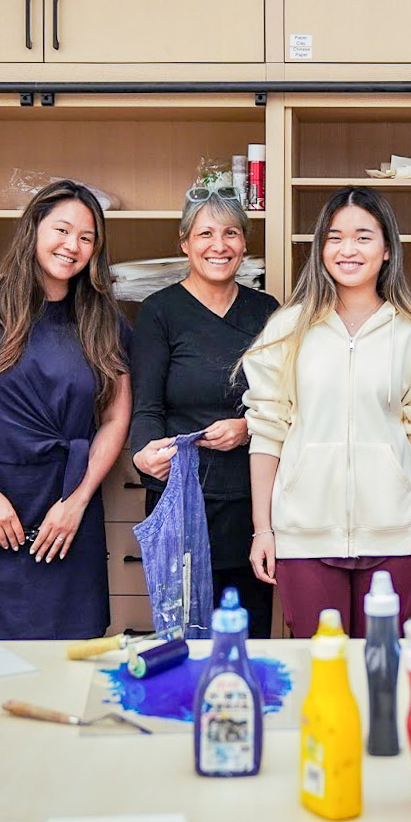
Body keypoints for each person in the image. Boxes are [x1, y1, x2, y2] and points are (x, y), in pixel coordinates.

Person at [0, 180, 131, 640]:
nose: (72, 245)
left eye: (86, 237)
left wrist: (76, 503)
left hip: (66, 505)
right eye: (61, 229)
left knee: (67, 657)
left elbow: (116, 419)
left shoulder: (104, 320)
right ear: (33, 228)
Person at [241, 187, 411, 638]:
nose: (347, 249)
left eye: (363, 237)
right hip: (303, 534)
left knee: (384, 671)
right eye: (334, 238)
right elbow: (267, 432)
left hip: (397, 534)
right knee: (321, 670)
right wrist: (264, 530)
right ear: (320, 249)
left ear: (387, 249)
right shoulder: (286, 329)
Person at [129, 186, 280, 638]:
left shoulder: (266, 311)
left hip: (253, 502)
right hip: (181, 496)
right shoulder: (159, 312)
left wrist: (247, 426)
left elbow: (286, 405)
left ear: (245, 243)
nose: (219, 245)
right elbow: (147, 408)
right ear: (184, 242)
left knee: (246, 632)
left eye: (231, 233)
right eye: (205, 233)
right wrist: (142, 455)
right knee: (184, 633)